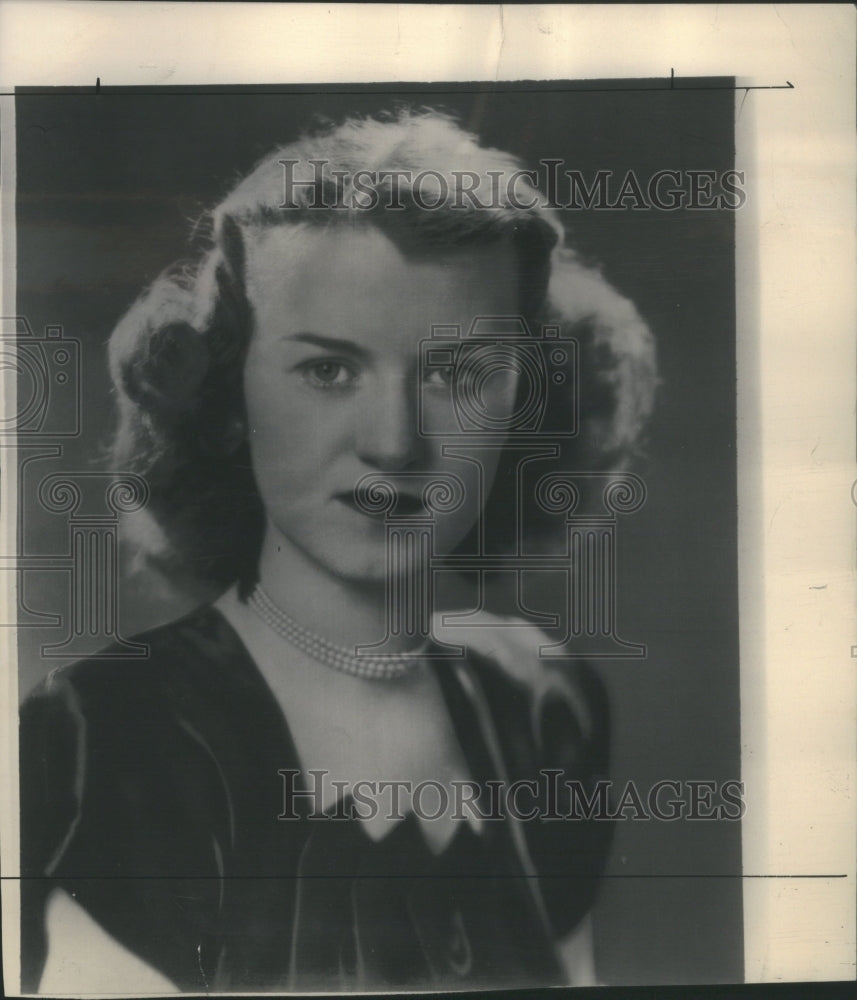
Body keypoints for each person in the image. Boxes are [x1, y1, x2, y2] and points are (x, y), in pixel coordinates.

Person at [20, 107, 657, 993]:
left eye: (458, 373)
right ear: (228, 394)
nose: (394, 443)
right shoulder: (109, 738)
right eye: (328, 371)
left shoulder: (545, 704)